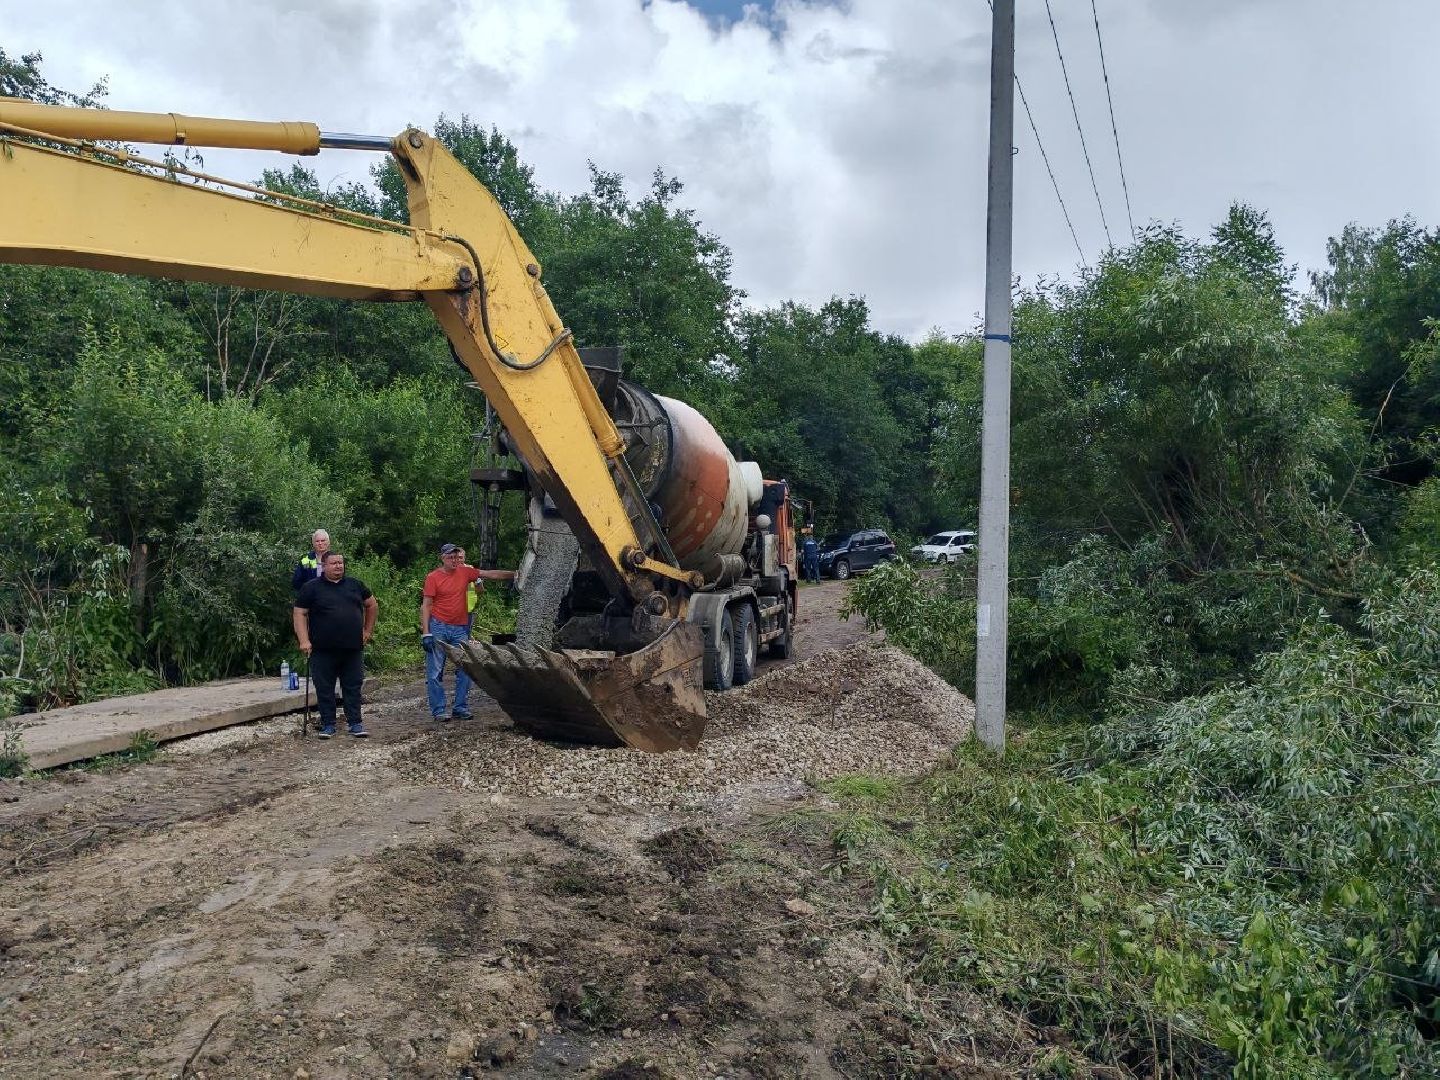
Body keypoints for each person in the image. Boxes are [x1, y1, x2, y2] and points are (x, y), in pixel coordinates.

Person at [420, 542, 516, 721]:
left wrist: (515, 574)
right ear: (443, 558)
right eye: (450, 557)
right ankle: (439, 710)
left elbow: (490, 574)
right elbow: (426, 605)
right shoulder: (433, 577)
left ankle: (460, 706)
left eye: (457, 557)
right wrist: (426, 632)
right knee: (434, 671)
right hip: (439, 626)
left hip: (460, 628)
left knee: (466, 668)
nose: (454, 560)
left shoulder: (465, 572)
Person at [293, 550, 378, 739]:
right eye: (334, 563)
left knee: (353, 686)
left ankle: (355, 723)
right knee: (324, 687)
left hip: (352, 647)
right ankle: (328, 724)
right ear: (323, 566)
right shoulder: (311, 588)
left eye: (340, 563)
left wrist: (367, 631)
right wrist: (304, 640)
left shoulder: (355, 585)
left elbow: (371, 605)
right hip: (322, 648)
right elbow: (299, 613)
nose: (338, 566)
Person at [291, 529, 331, 593]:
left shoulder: (336, 558)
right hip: (312, 598)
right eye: (317, 541)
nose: (320, 543)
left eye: (323, 540)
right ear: (313, 544)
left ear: (328, 542)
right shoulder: (306, 561)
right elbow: (296, 582)